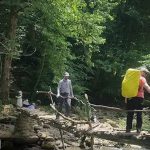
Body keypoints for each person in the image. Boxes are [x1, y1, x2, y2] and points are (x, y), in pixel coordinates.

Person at [126, 67, 150, 133]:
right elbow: (147, 87)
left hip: (130, 97)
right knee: (139, 113)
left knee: (130, 113)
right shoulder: (142, 78)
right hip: (139, 98)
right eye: (145, 73)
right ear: (142, 72)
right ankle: (138, 129)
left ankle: (128, 129)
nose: (146, 75)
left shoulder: (131, 77)